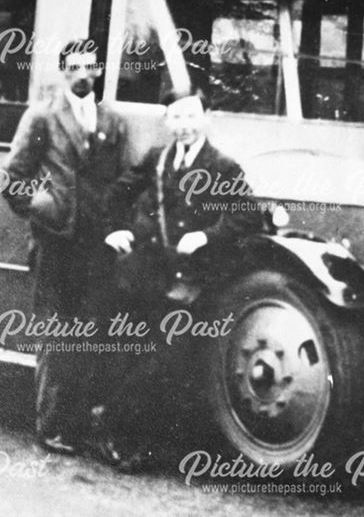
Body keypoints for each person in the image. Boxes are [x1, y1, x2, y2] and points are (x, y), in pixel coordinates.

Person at [97, 87, 264, 471]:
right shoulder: (158, 160)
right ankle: (119, 434)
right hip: (151, 274)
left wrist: (207, 236)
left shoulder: (223, 166)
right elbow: (116, 195)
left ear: (206, 118)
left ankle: (135, 435)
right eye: (177, 117)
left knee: (168, 360)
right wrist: (114, 230)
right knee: (136, 353)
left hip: (195, 282)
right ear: (167, 121)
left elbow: (247, 215)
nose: (185, 126)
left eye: (192, 116)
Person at [1, 39, 128, 455]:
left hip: (97, 247)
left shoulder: (112, 120)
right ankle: (51, 426)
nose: (82, 75)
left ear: (99, 70)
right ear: (62, 71)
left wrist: (114, 228)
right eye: (73, 67)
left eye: (90, 67)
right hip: (56, 245)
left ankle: (78, 425)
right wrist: (48, 208)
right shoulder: (43, 115)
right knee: (56, 339)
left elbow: (119, 182)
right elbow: (14, 179)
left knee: (88, 336)